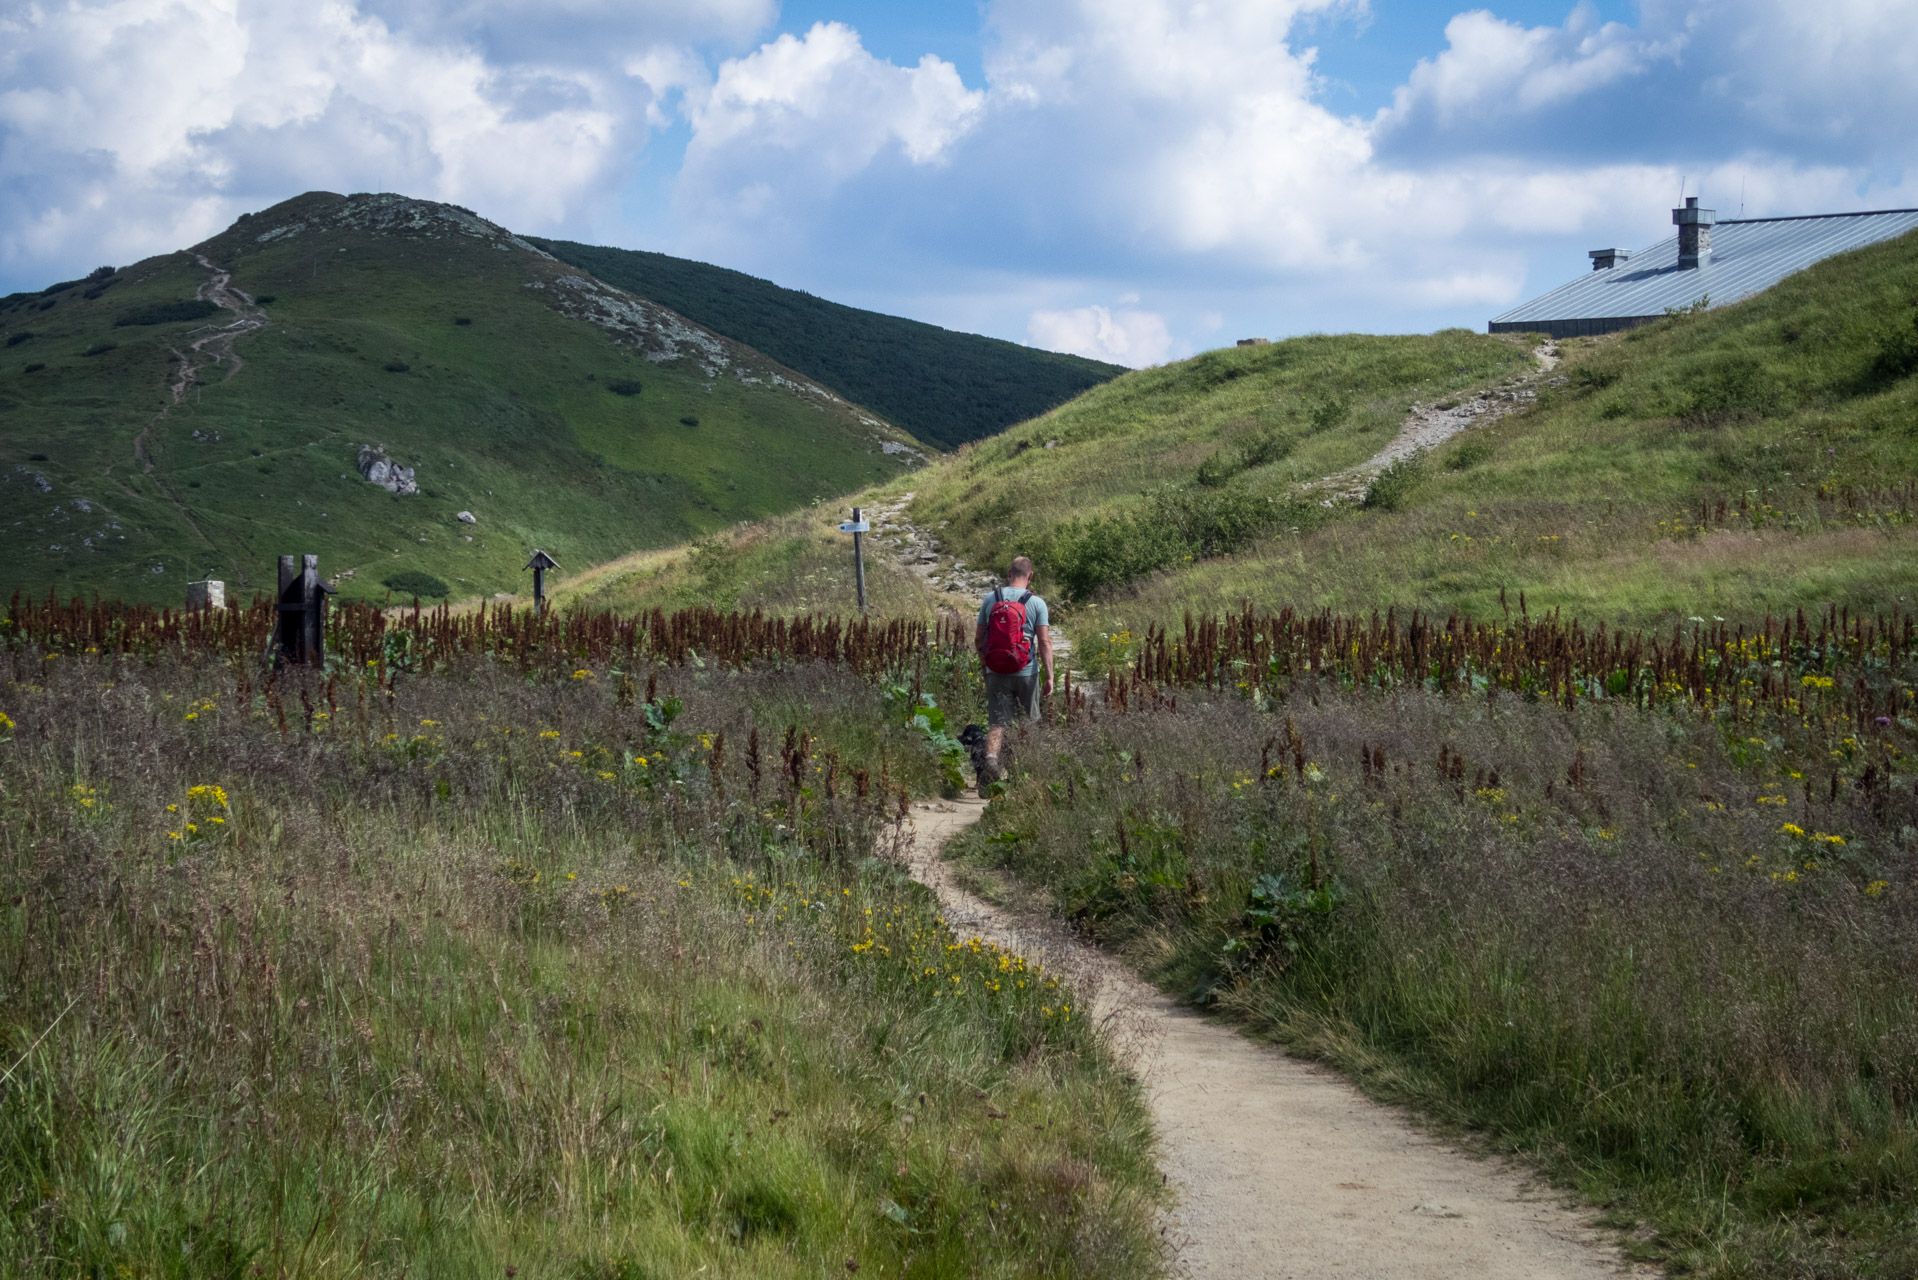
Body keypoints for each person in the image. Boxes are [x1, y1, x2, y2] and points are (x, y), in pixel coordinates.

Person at [974, 555, 1052, 785]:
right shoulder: (1037, 603)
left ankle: (990, 760)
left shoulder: (991, 599)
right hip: (1026, 672)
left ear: (1009, 574)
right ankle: (1026, 772)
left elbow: (979, 638)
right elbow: (1045, 643)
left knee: (997, 721)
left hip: (996, 671)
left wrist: (985, 666)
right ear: (1030, 576)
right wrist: (1050, 676)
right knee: (1029, 721)